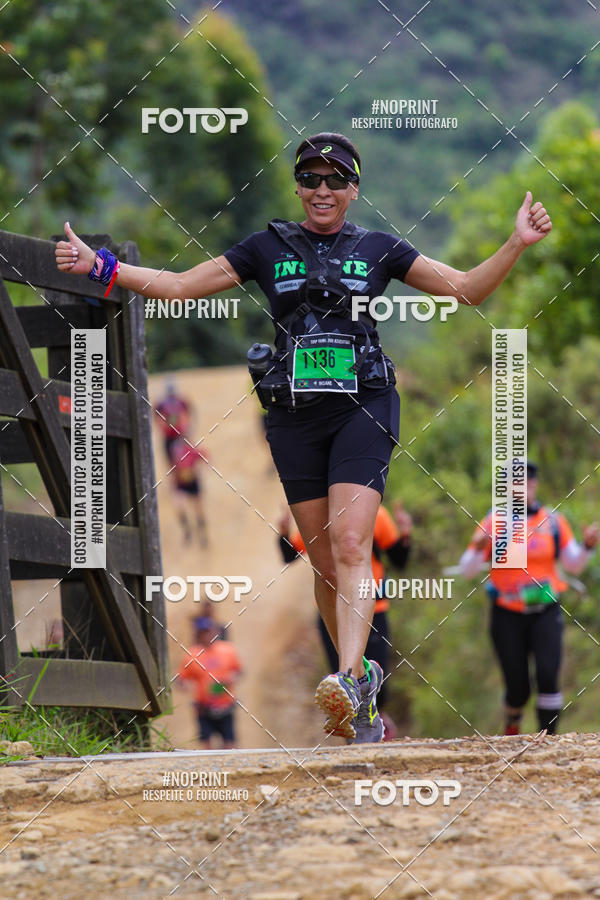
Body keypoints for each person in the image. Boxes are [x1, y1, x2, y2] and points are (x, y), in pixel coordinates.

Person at [55, 131, 553, 744]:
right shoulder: (267, 247)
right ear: (297, 185)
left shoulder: (379, 249)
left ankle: (346, 681)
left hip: (362, 407)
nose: (322, 189)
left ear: (353, 188)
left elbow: (467, 289)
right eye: (310, 178)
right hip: (293, 416)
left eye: (335, 179)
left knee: (350, 544)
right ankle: (361, 682)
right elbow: (180, 286)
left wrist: (515, 244)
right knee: (322, 563)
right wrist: (101, 266)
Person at [460, 461, 598, 735]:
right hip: (506, 612)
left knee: (548, 674)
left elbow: (573, 564)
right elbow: (467, 570)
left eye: (528, 482)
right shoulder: (494, 521)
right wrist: (477, 548)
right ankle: (512, 721)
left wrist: (588, 546)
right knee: (518, 686)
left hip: (546, 609)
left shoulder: (553, 521)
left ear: (535, 485)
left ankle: (547, 740)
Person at [277, 502, 412, 740]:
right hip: (332, 611)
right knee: (343, 676)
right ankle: (356, 730)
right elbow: (291, 554)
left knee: (378, 673)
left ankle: (378, 720)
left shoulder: (375, 514)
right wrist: (283, 533)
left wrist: (406, 535)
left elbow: (398, 559)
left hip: (374, 609)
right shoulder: (319, 519)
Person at [176, 617, 242, 749]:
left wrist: (231, 678)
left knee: (230, 743)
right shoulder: (192, 655)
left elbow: (238, 670)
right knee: (206, 745)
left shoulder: (228, 650)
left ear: (215, 632)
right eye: (202, 632)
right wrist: (183, 685)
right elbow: (181, 677)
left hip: (225, 705)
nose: (206, 635)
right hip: (204, 708)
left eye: (208, 631)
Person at [169, 435, 210, 546]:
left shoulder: (190, 451)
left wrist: (198, 470)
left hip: (192, 483)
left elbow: (206, 456)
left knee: (198, 510)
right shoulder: (175, 451)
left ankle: (203, 536)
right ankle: (188, 531)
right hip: (181, 483)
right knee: (179, 507)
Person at [155, 378, 192, 464]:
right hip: (171, 435)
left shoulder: (180, 401)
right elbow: (156, 416)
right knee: (173, 461)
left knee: (183, 461)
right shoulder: (163, 403)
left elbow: (188, 413)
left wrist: (186, 427)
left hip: (179, 435)